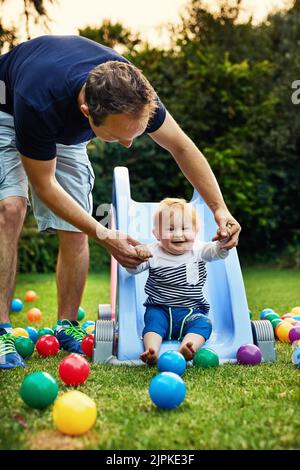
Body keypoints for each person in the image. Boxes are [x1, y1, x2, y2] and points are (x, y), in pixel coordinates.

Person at [0, 35, 240, 369]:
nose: (127, 144)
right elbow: (45, 185)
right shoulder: (38, 99)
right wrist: (104, 233)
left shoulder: (135, 91)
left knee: (74, 227)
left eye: (136, 133)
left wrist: (219, 208)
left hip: (63, 121)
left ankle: (65, 325)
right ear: (87, 113)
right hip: (8, 109)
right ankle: (0, 330)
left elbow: (182, 147)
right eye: (115, 136)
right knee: (9, 208)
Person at [127, 198, 229, 364]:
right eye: (171, 229)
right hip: (160, 309)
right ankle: (151, 350)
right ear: (157, 234)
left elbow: (217, 252)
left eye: (184, 228)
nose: (178, 234)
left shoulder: (199, 250)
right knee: (153, 324)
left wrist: (224, 242)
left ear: (195, 231)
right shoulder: (152, 252)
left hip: (191, 311)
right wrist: (137, 256)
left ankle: (188, 347)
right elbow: (132, 269)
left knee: (204, 324)